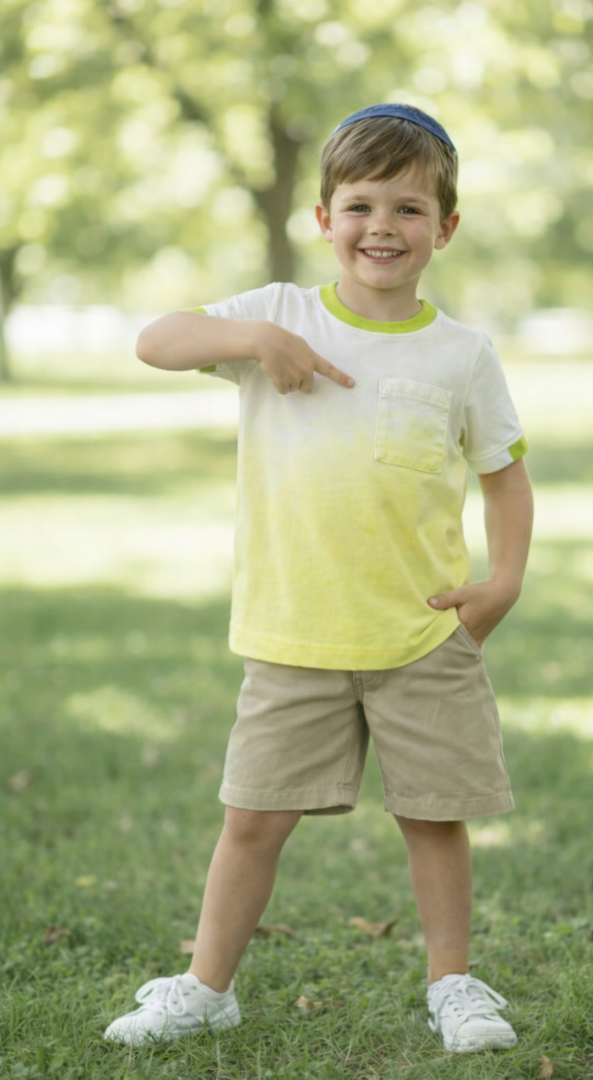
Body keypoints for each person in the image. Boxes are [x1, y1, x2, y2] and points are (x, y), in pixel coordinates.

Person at [104, 103, 533, 1055]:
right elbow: (155, 339)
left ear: (446, 228)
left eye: (410, 209)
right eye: (362, 205)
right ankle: (206, 985)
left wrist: (500, 583)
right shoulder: (280, 316)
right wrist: (253, 342)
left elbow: (505, 475)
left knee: (435, 818)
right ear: (323, 217)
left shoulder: (461, 353)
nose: (383, 226)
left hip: (423, 632)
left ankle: (453, 984)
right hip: (293, 632)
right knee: (252, 818)